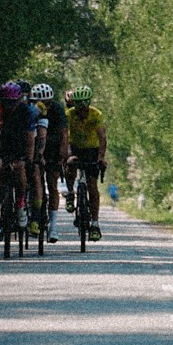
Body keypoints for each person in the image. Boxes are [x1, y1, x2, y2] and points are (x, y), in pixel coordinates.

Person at [64, 87, 107, 239]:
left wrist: (101, 157)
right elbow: (65, 136)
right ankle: (70, 193)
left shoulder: (96, 114)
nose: (81, 108)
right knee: (69, 165)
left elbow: (102, 137)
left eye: (84, 104)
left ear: (88, 103)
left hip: (92, 150)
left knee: (92, 186)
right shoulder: (69, 114)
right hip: (74, 147)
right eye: (78, 104)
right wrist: (67, 154)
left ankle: (95, 224)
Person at [0, 81, 37, 229]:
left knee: (21, 170)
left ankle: (20, 205)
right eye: (6, 102)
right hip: (2, 147)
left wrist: (29, 158)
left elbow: (30, 137)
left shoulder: (26, 112)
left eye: (13, 103)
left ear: (19, 100)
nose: (10, 106)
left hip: (20, 147)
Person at [32, 83, 66, 228]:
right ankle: (33, 213)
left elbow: (64, 133)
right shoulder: (30, 110)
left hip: (53, 148)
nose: (45, 106)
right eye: (41, 103)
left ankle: (53, 224)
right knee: (35, 182)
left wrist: (62, 155)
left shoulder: (57, 109)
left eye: (48, 103)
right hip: (34, 146)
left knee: (52, 185)